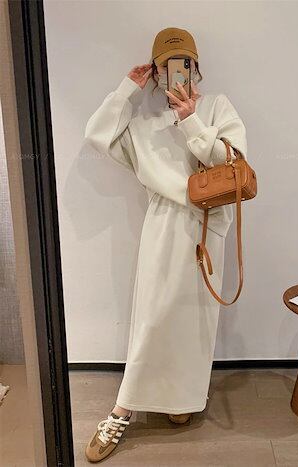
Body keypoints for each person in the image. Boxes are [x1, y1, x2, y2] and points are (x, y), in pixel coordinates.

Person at [83, 27, 248, 463]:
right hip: (163, 225)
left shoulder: (217, 106)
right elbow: (97, 136)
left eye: (186, 63)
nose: (178, 71)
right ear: (156, 72)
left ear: (197, 66)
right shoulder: (143, 124)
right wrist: (127, 89)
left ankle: (181, 398)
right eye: (168, 65)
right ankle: (123, 409)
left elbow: (234, 162)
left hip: (207, 227)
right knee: (153, 318)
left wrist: (191, 120)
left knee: (194, 321)